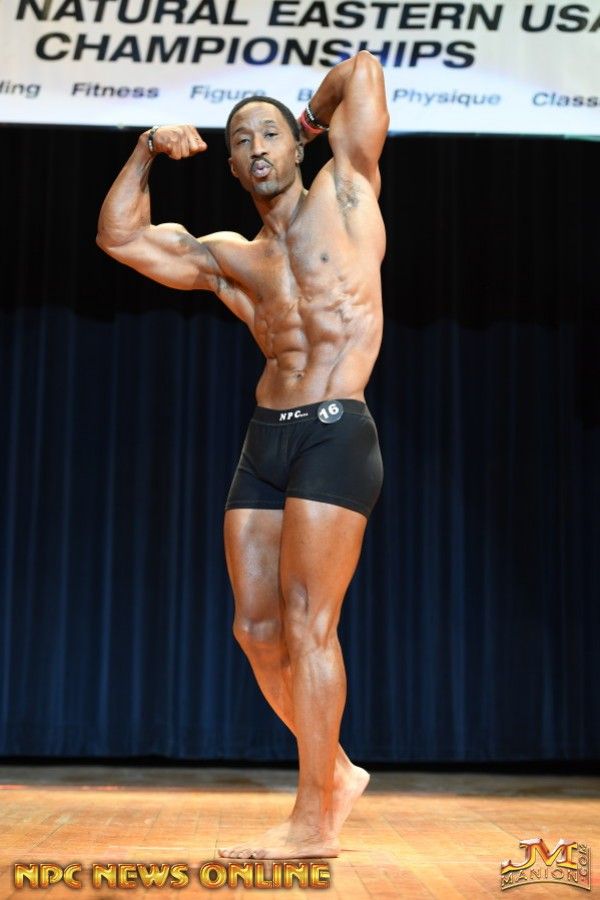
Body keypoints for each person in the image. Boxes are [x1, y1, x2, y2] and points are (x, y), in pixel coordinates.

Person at [96, 50, 389, 860]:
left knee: (308, 623)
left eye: (270, 133)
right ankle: (335, 771)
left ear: (297, 146)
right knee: (256, 629)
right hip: (266, 439)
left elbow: (363, 70)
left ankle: (313, 822)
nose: (257, 146)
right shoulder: (233, 256)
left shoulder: (348, 191)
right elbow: (119, 236)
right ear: (230, 165)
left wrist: (311, 117)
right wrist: (145, 150)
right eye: (241, 139)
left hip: (335, 429)